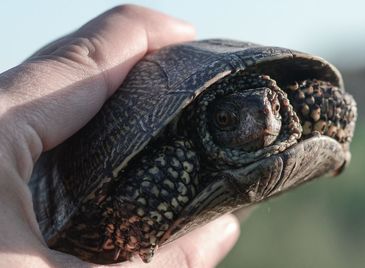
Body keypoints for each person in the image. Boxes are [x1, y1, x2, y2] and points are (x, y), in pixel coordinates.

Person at [0, 5, 239, 267]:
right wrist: (138, 222)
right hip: (69, 204)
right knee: (181, 153)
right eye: (228, 119)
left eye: (274, 108)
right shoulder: (181, 151)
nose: (264, 123)